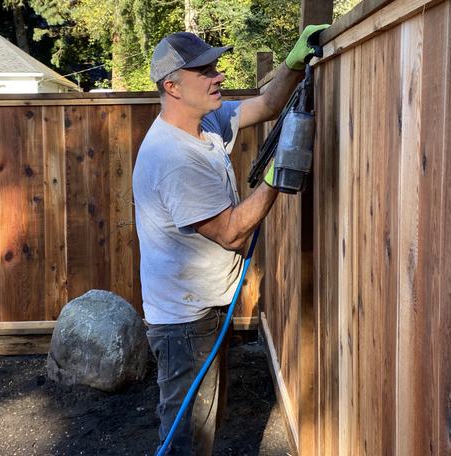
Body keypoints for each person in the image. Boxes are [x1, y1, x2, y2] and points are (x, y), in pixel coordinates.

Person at [132, 25, 329, 455]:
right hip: (183, 322)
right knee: (187, 436)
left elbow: (269, 103)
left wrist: (293, 63)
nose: (218, 75)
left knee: (205, 421)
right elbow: (231, 233)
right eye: (204, 71)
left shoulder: (206, 124)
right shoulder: (173, 157)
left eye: (215, 67)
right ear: (172, 86)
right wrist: (280, 172)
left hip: (201, 309)